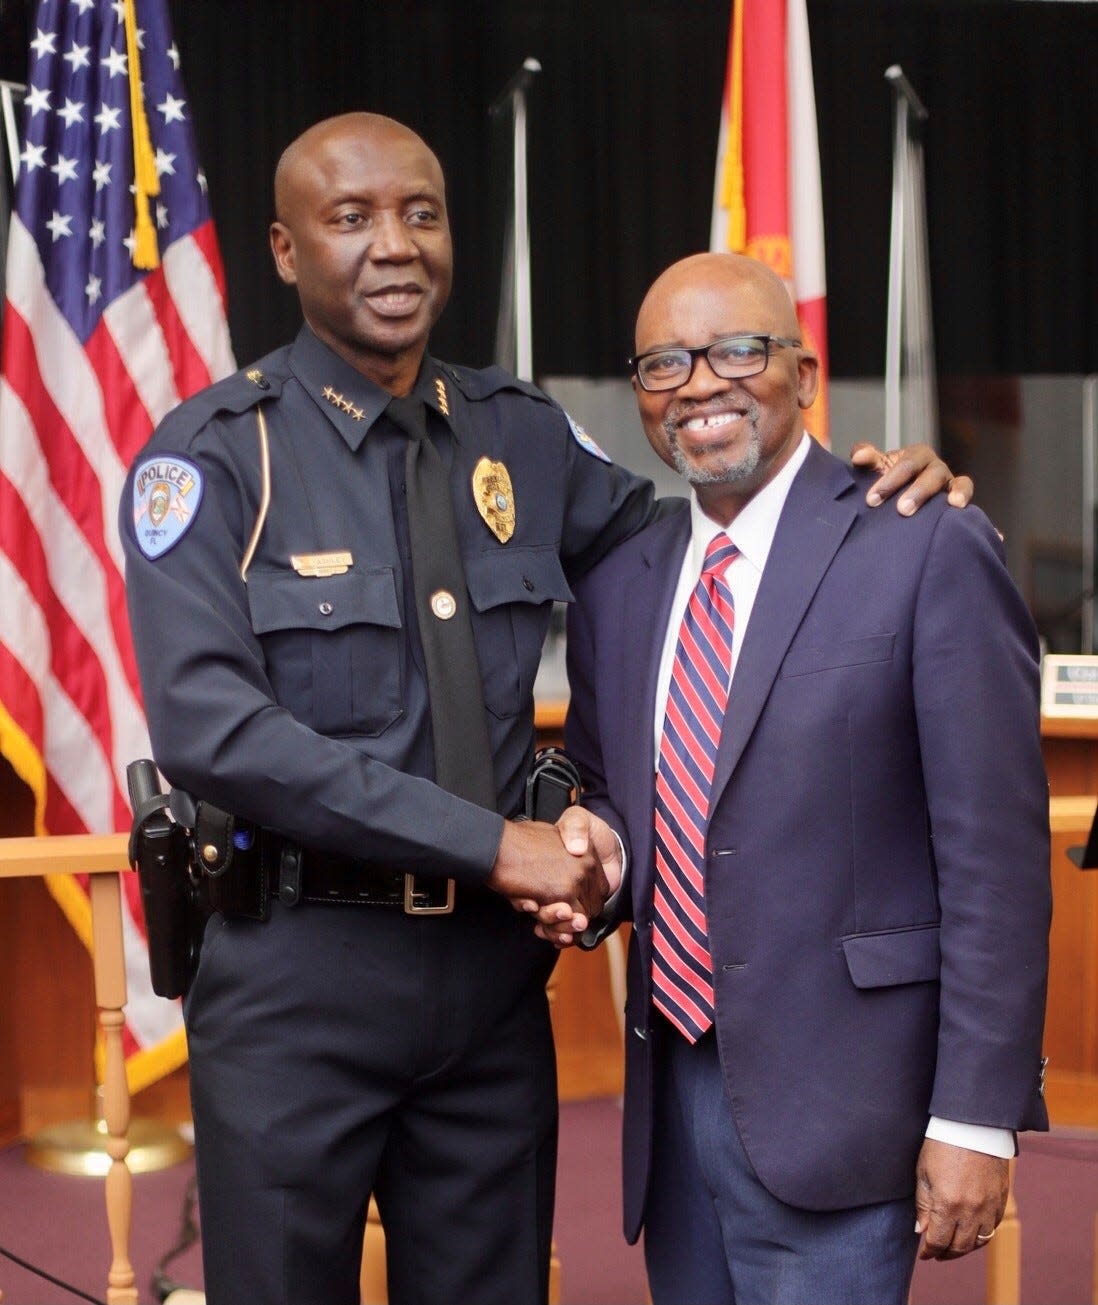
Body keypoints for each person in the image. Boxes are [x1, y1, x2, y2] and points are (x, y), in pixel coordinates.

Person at [120, 112, 968, 1305]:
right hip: (297, 984)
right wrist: (496, 843)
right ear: (282, 248)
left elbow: (707, 544)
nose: (395, 245)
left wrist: (863, 502)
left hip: (487, 992)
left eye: (421, 212)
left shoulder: (517, 434)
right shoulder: (213, 461)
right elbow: (214, 732)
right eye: (351, 218)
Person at [543, 252, 1051, 1305]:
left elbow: (995, 864)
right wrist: (594, 848)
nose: (699, 384)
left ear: (806, 375)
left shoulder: (925, 545)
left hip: (850, 1108)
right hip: (673, 1106)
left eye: (737, 350)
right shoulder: (618, 586)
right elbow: (613, 794)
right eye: (663, 364)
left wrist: (974, 1116)